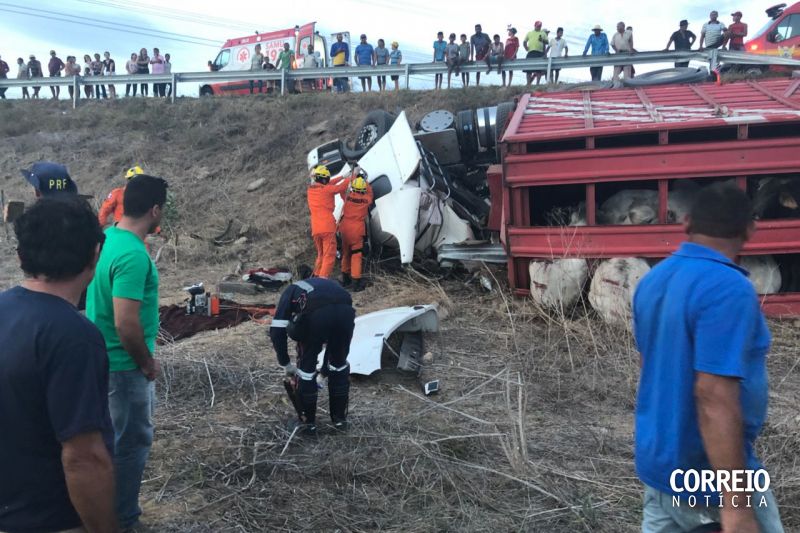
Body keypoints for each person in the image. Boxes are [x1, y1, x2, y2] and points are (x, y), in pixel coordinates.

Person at [633, 183, 785, 533]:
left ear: (685, 223)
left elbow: (650, 367)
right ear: (750, 228)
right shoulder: (728, 288)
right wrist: (737, 507)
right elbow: (714, 395)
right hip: (705, 476)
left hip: (659, 468)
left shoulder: (653, 280)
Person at [0, 198, 116, 533]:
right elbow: (83, 458)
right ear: (95, 255)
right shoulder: (74, 337)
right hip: (44, 519)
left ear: (21, 256)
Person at [87, 174, 167, 532]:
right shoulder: (134, 255)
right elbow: (125, 323)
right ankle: (122, 520)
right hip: (124, 366)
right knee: (132, 444)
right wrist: (147, 364)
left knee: (108, 443)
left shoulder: (107, 241)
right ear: (155, 210)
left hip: (102, 360)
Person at [269, 277, 356, 435]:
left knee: (306, 371)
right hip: (345, 312)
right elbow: (332, 334)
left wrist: (286, 365)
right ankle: (340, 421)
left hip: (318, 314)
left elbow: (276, 331)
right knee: (339, 364)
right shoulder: (328, 286)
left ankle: (308, 425)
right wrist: (324, 370)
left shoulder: (288, 293)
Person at [307, 165, 351, 278]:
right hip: (327, 228)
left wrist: (342, 176)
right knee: (329, 255)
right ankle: (322, 281)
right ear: (323, 179)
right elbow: (340, 188)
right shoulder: (327, 189)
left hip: (316, 228)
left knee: (321, 255)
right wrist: (352, 176)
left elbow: (329, 184)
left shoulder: (311, 190)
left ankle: (316, 277)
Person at [339, 169, 373, 292]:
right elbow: (370, 192)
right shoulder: (366, 200)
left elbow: (342, 190)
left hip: (345, 228)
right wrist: (364, 181)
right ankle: (356, 282)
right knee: (356, 255)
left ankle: (345, 278)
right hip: (357, 230)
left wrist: (353, 177)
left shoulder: (347, 197)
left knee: (346, 253)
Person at [523, 21, 547, 86]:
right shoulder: (530, 33)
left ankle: (537, 84)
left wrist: (542, 40)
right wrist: (526, 48)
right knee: (528, 69)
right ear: (535, 25)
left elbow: (547, 42)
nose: (539, 27)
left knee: (538, 69)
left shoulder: (543, 33)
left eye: (540, 26)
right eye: (538, 26)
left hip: (539, 52)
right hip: (531, 52)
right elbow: (524, 41)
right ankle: (528, 84)